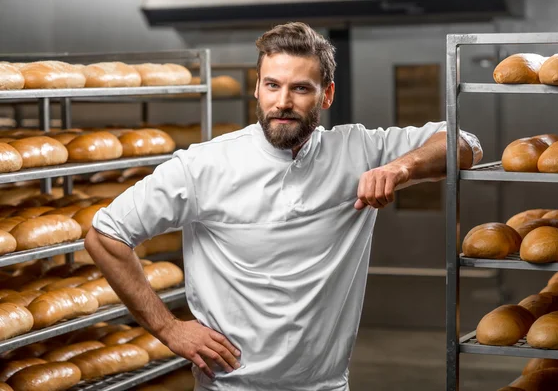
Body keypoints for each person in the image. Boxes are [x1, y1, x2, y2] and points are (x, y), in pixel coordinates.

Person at [85, 22, 482, 391]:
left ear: (326, 94)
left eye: (301, 89)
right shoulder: (204, 165)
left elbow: (466, 144)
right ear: (256, 88)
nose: (283, 102)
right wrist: (170, 329)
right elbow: (106, 235)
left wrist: (399, 168)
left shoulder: (358, 149)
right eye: (272, 86)